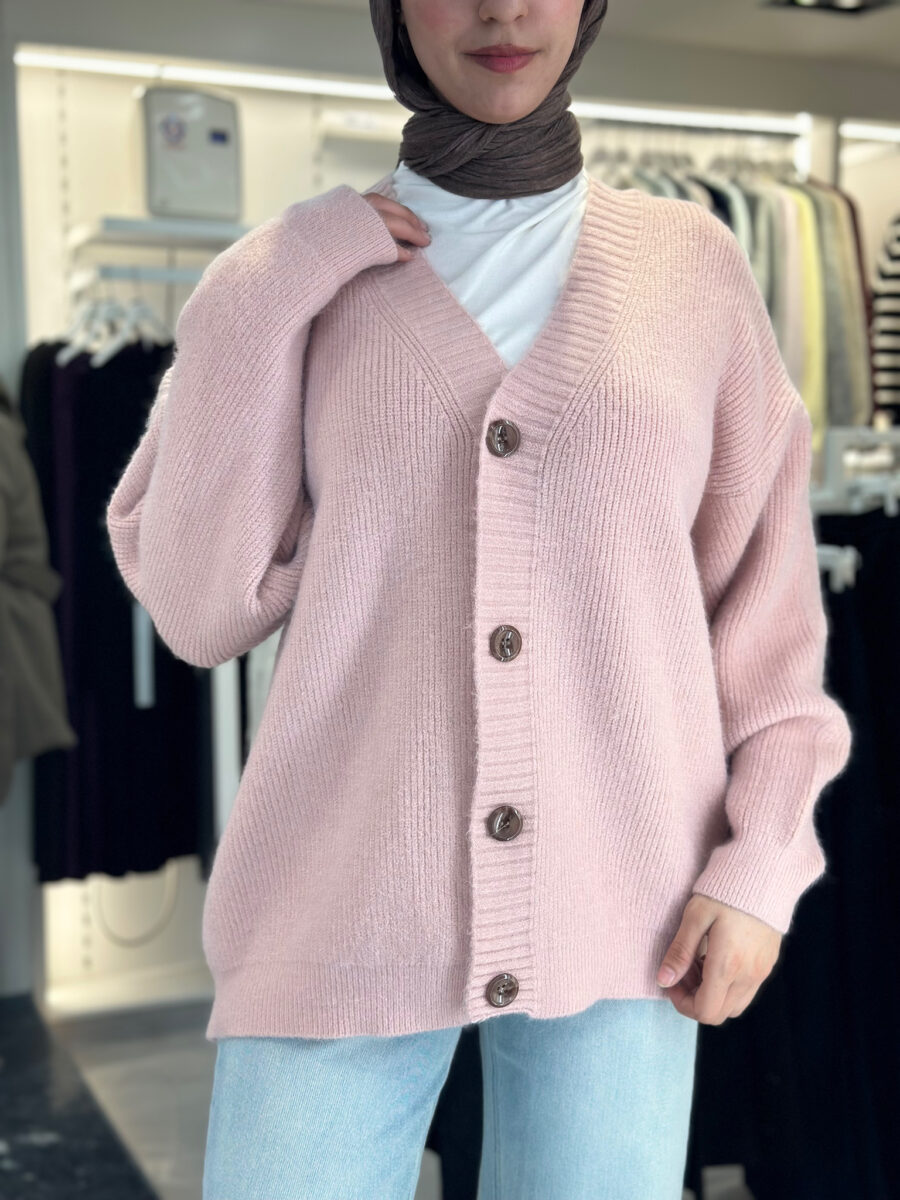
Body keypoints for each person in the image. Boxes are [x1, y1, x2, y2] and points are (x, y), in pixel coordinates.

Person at [105, 1, 853, 1196]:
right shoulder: (300, 278)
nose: (503, 9)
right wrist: (262, 286)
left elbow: (764, 625)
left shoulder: (692, 268)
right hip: (336, 902)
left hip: (632, 912)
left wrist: (761, 862)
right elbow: (200, 608)